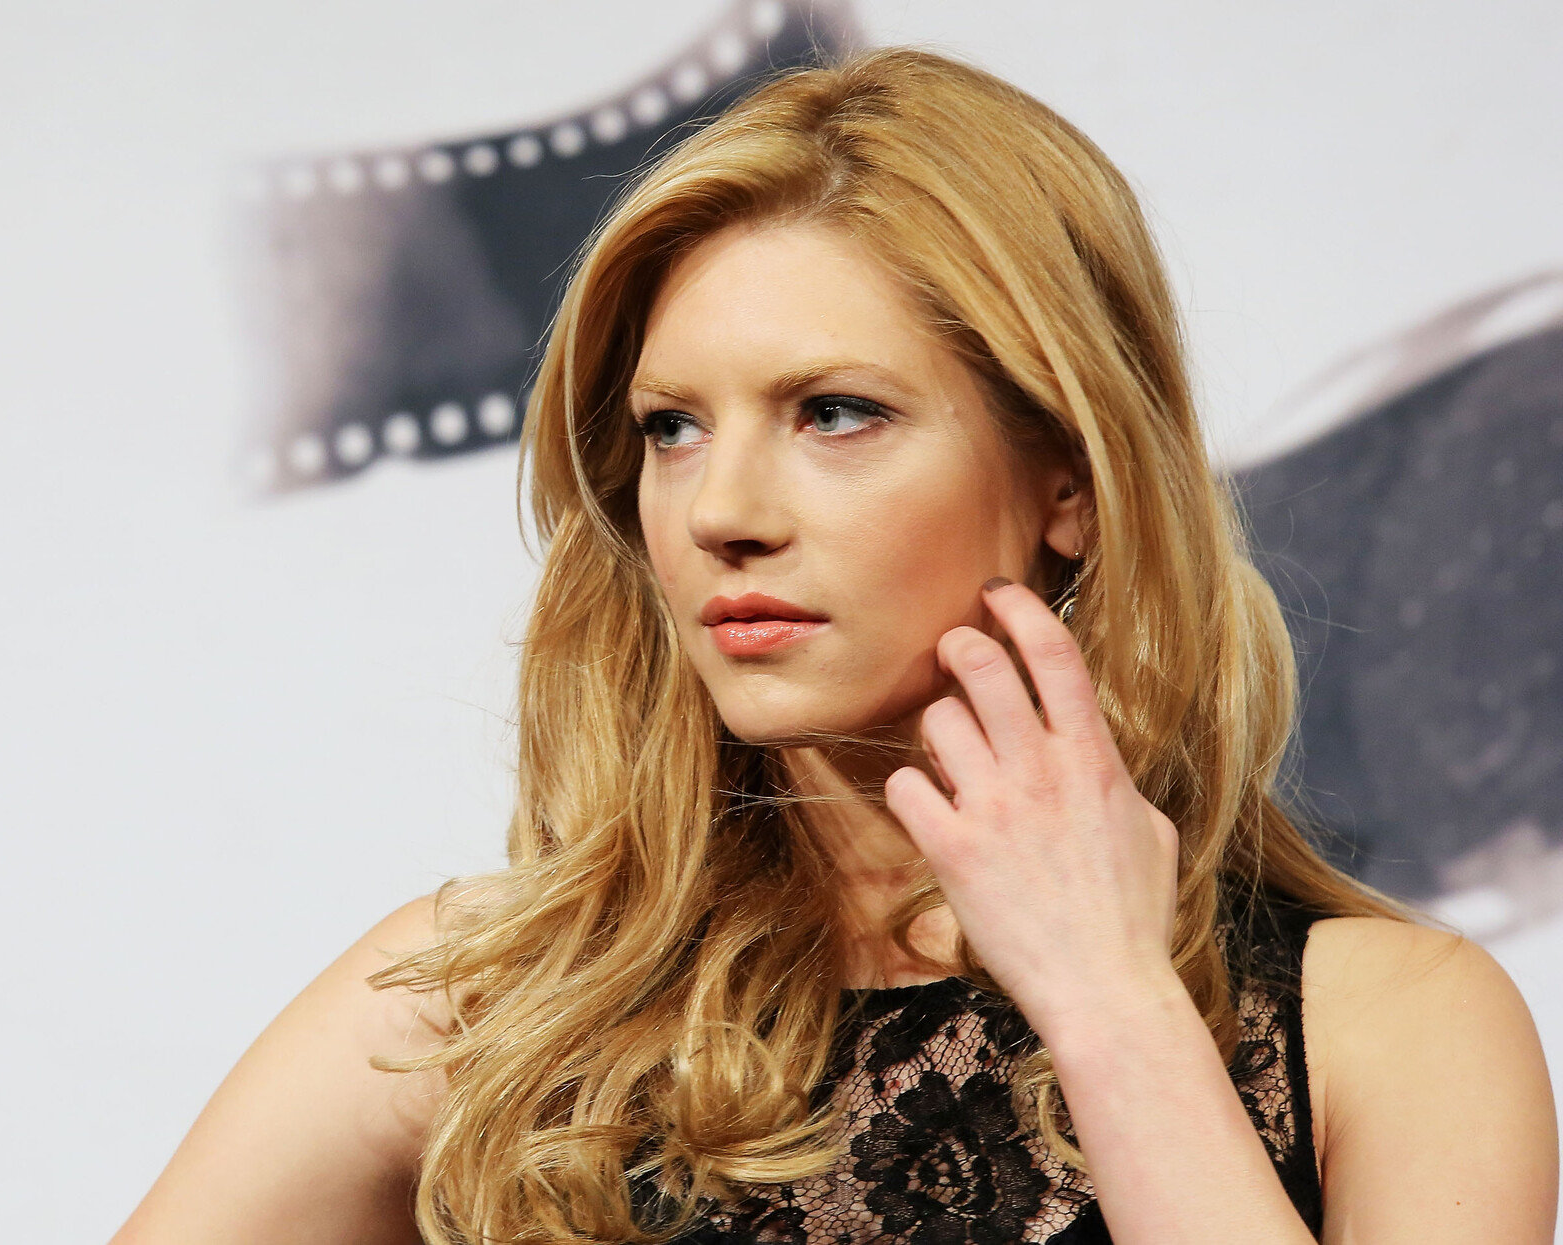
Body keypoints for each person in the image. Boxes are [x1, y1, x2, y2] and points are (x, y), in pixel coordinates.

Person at [110, 48, 1558, 1245]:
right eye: (674, 427)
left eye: (835, 413)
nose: (721, 513)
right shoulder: (480, 1007)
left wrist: (1113, 1005)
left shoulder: (1388, 1029)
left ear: (1070, 477)